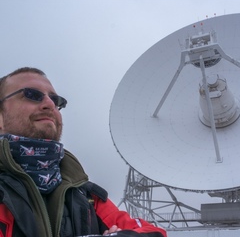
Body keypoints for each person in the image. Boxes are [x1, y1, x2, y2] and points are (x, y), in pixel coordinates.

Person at [0, 67, 167, 237]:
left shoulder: (86, 196)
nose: (50, 104)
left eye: (56, 100)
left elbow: (154, 232)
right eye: (32, 94)